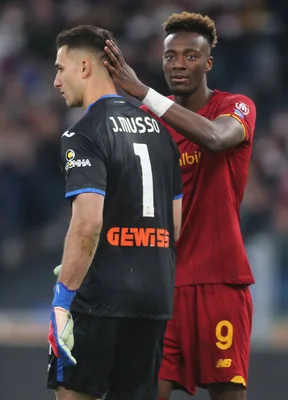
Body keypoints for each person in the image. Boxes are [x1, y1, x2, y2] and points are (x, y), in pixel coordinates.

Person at [103, 12, 257, 400]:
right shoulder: (146, 123)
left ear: (208, 63)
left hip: (218, 280)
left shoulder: (235, 107)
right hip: (159, 285)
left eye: (190, 55)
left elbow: (216, 138)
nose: (179, 64)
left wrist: (143, 93)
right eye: (171, 56)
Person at [47, 25, 183, 400]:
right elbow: (176, 225)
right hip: (154, 298)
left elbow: (88, 223)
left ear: (85, 67)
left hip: (100, 299)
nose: (57, 81)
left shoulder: (83, 134)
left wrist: (63, 299)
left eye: (61, 68)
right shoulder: (161, 131)